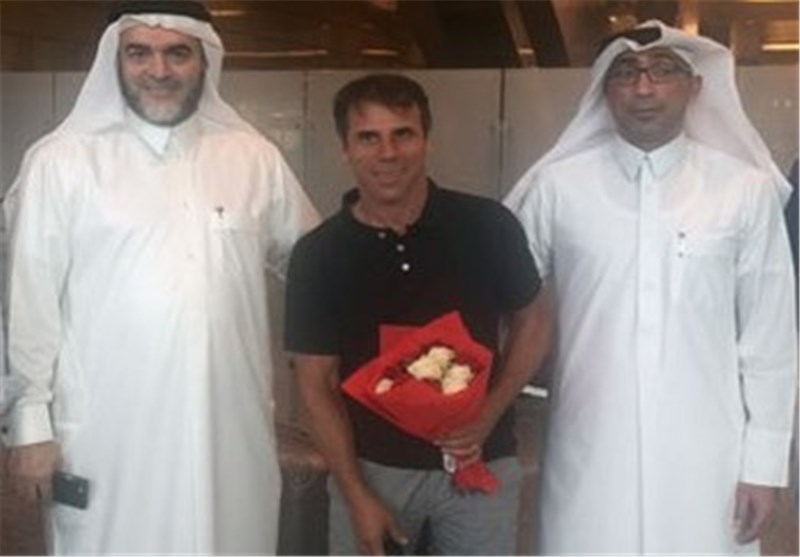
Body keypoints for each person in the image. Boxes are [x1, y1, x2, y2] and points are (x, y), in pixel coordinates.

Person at [0, 1, 319, 553]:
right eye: (139, 53)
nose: (159, 70)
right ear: (116, 60)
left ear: (204, 60)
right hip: (108, 436)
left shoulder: (253, 158)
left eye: (177, 53)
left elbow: (316, 265)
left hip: (229, 431)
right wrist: (30, 424)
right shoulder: (63, 161)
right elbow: (31, 300)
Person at [505, 20, 798, 554]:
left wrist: (764, 465)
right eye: (626, 72)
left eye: (663, 71)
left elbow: (770, 339)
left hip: (706, 460)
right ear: (604, 90)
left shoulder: (744, 191)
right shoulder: (557, 189)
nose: (643, 88)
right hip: (587, 454)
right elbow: (510, 302)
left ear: (696, 87)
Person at [284, 73, 550, 555]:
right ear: (345, 149)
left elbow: (534, 319)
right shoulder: (318, 255)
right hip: (372, 469)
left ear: (427, 139)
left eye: (402, 134)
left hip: (482, 461)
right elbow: (314, 385)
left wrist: (489, 413)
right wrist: (356, 494)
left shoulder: (487, 225)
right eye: (369, 137)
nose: (387, 153)